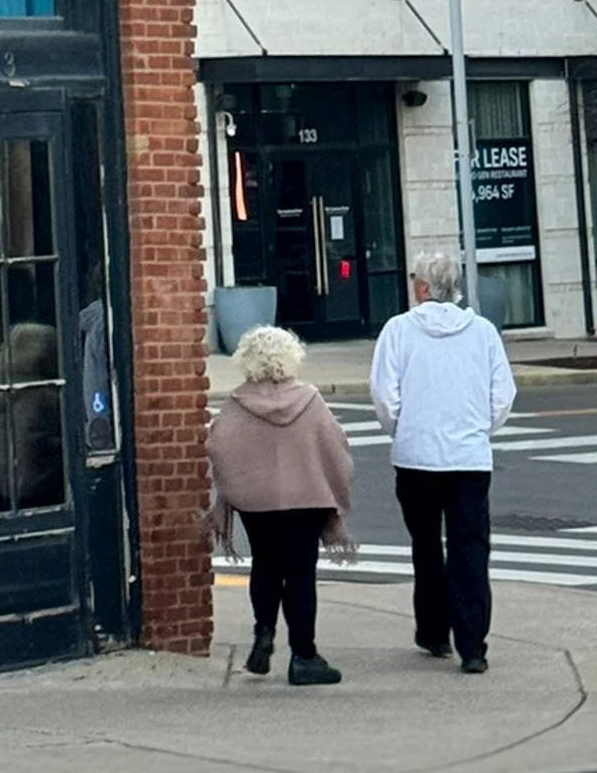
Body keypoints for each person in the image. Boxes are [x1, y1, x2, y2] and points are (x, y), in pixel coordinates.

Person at [371, 250, 516, 674]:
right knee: (470, 549)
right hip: (469, 459)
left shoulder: (397, 331)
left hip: (417, 458)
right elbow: (502, 395)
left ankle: (434, 630)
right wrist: (478, 430)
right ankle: (473, 645)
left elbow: (384, 396)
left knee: (427, 546)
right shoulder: (483, 333)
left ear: (421, 287)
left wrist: (405, 428)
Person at [207, 325, 354, 686]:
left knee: (266, 564)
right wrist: (334, 485)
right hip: (305, 500)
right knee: (301, 573)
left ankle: (263, 632)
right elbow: (335, 446)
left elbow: (218, 446)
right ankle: (304, 657)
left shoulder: (237, 404)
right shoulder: (309, 400)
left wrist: (237, 487)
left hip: (257, 505)